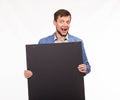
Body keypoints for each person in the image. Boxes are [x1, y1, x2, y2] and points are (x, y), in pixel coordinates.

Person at [24, 9, 91, 78]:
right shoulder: (43, 42)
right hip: (50, 85)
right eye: (62, 21)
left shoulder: (77, 42)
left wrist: (86, 68)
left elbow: (87, 66)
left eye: (68, 22)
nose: (65, 25)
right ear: (55, 22)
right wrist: (29, 73)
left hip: (71, 85)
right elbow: (38, 68)